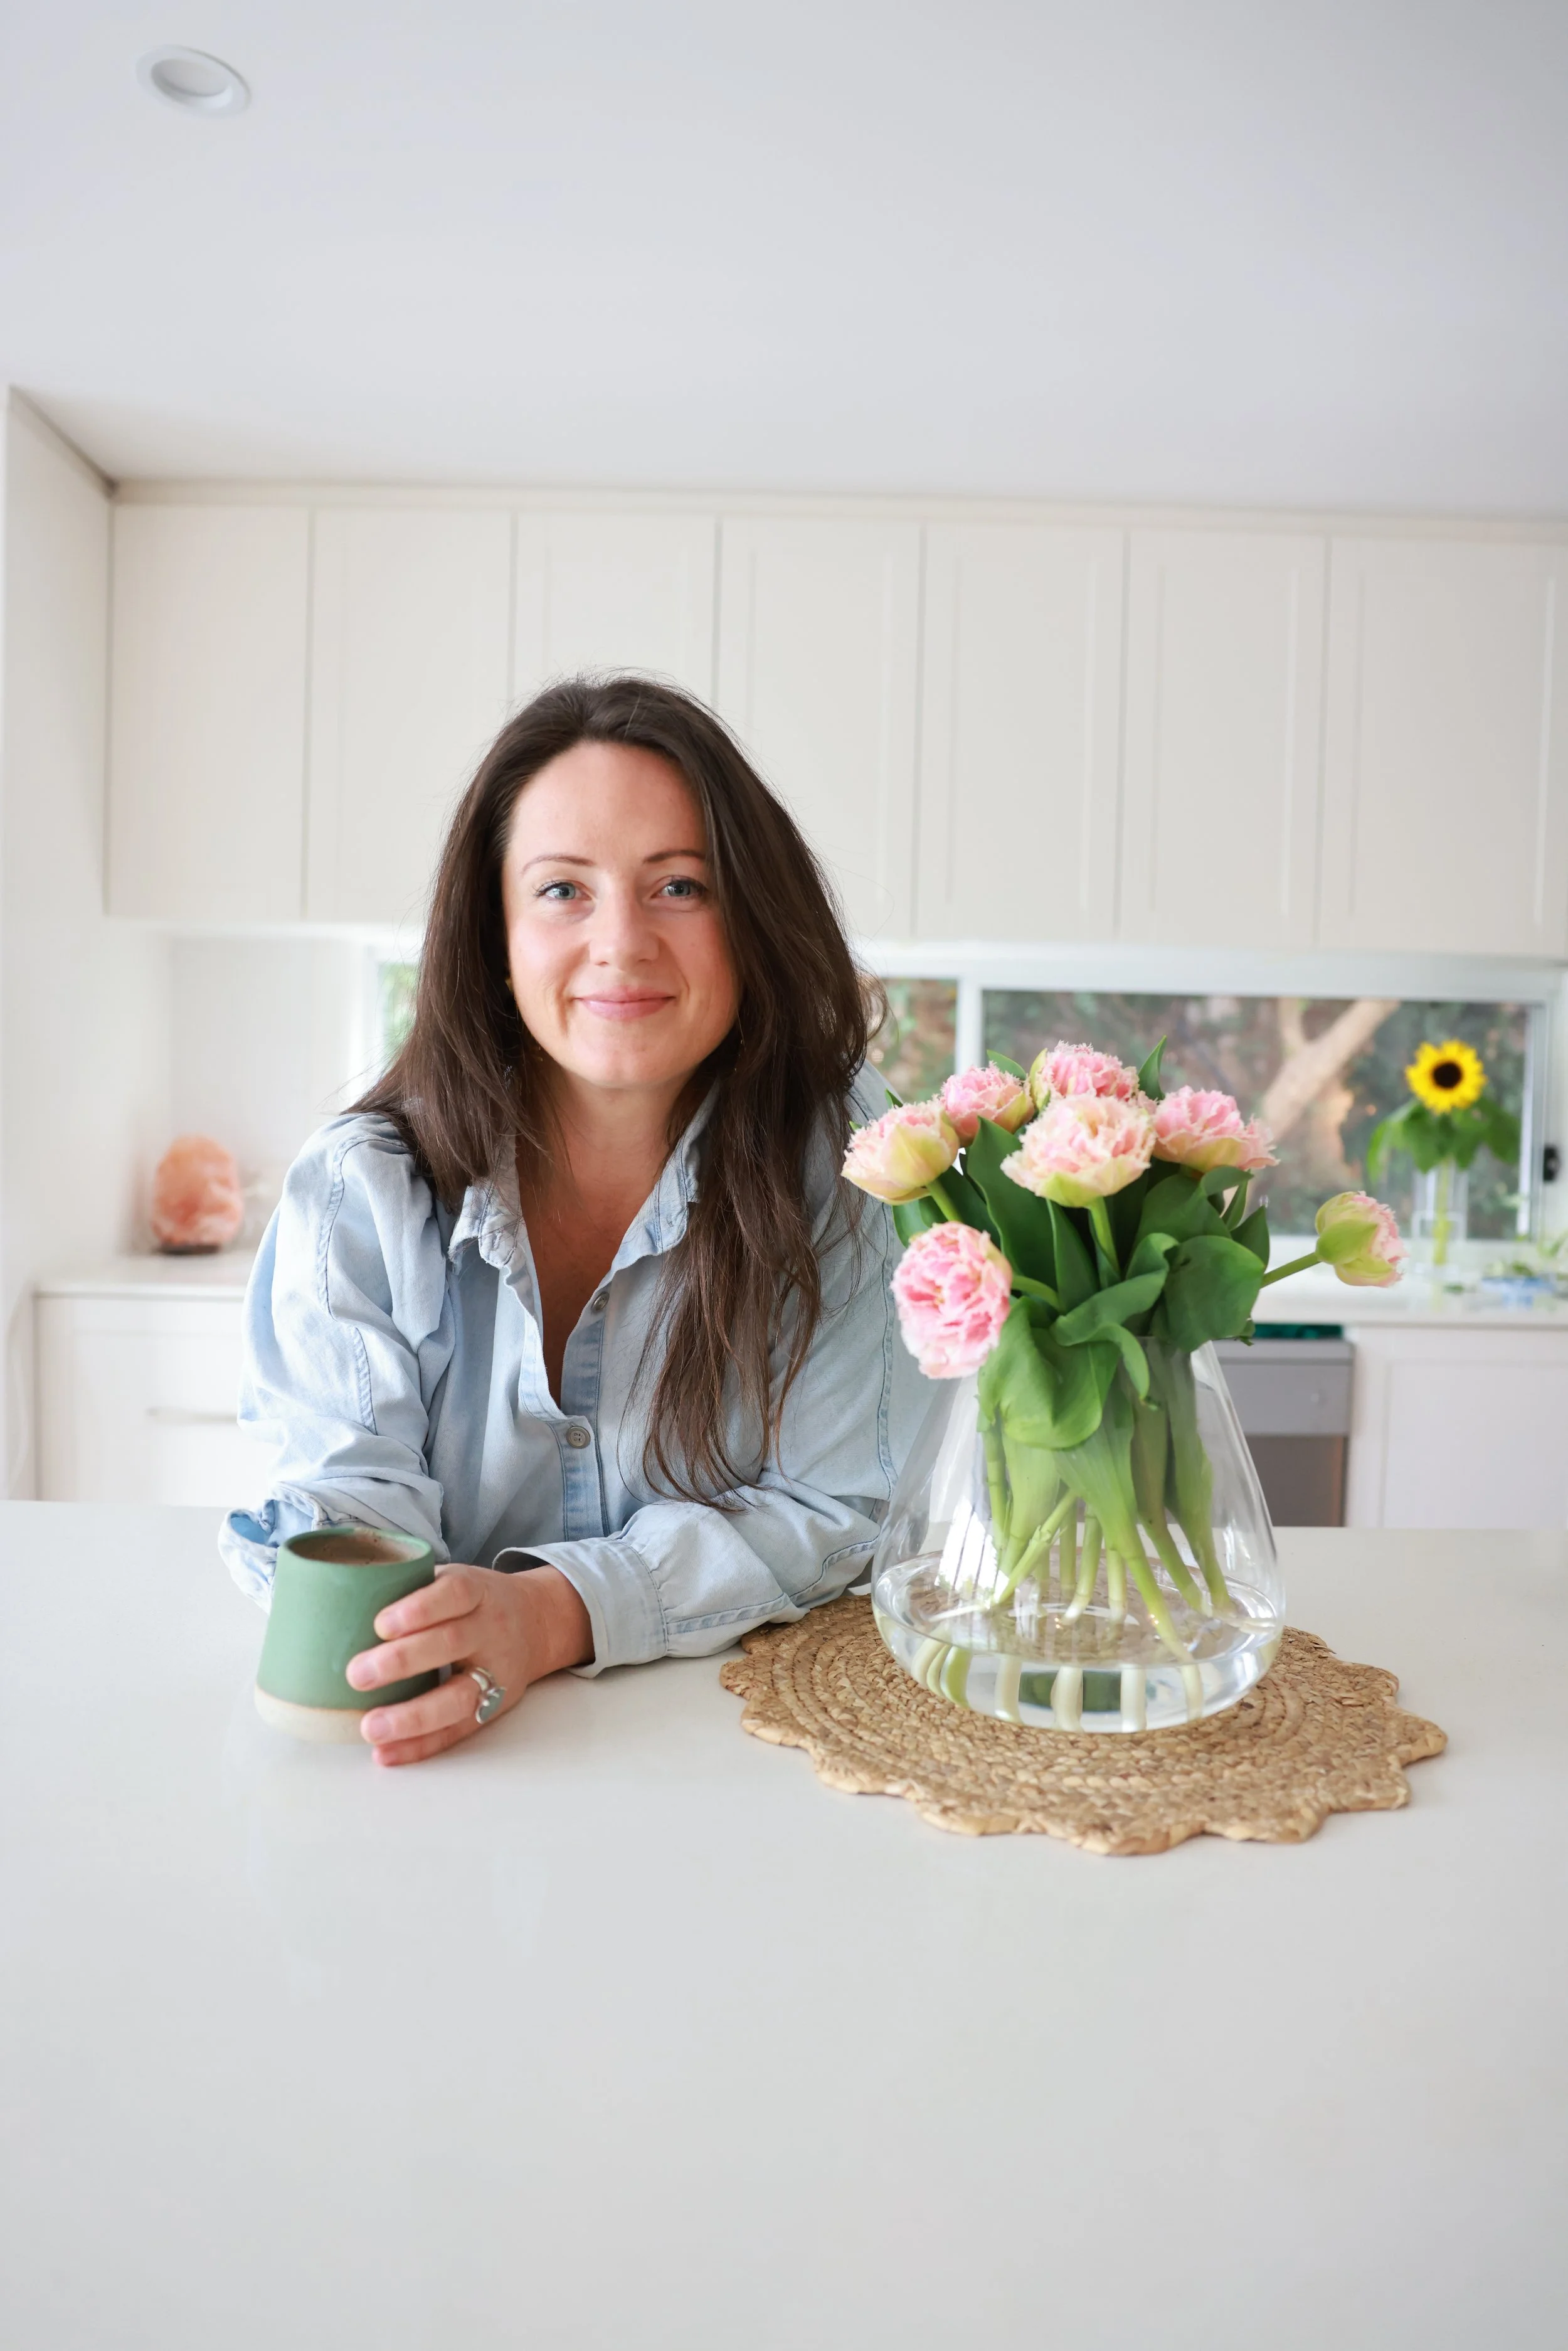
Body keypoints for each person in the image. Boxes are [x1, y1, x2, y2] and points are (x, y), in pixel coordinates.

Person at [221, 675, 926, 1765]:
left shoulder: (854, 1161)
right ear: (494, 933)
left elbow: (843, 1507)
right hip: (449, 1768)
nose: (622, 943)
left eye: (680, 886)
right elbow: (346, 1488)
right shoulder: (362, 1188)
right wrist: (411, 1616)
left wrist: (553, 1613)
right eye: (562, 890)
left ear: (752, 918)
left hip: (731, 1760)